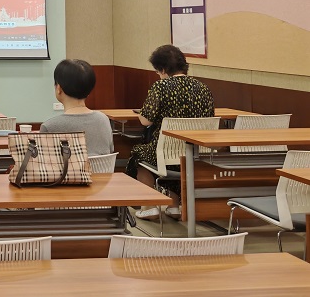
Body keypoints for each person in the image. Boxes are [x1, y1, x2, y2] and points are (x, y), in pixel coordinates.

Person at [126, 44, 215, 220]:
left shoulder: (161, 87)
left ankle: (150, 206)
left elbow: (146, 121)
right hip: (195, 152)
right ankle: (174, 206)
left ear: (163, 69)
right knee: (175, 160)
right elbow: (210, 118)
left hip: (165, 152)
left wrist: (142, 113)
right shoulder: (203, 88)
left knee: (139, 154)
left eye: (157, 71)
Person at [40, 59, 114, 156]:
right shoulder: (103, 119)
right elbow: (110, 152)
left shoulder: (49, 127)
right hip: (103, 167)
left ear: (59, 88)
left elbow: (44, 161)